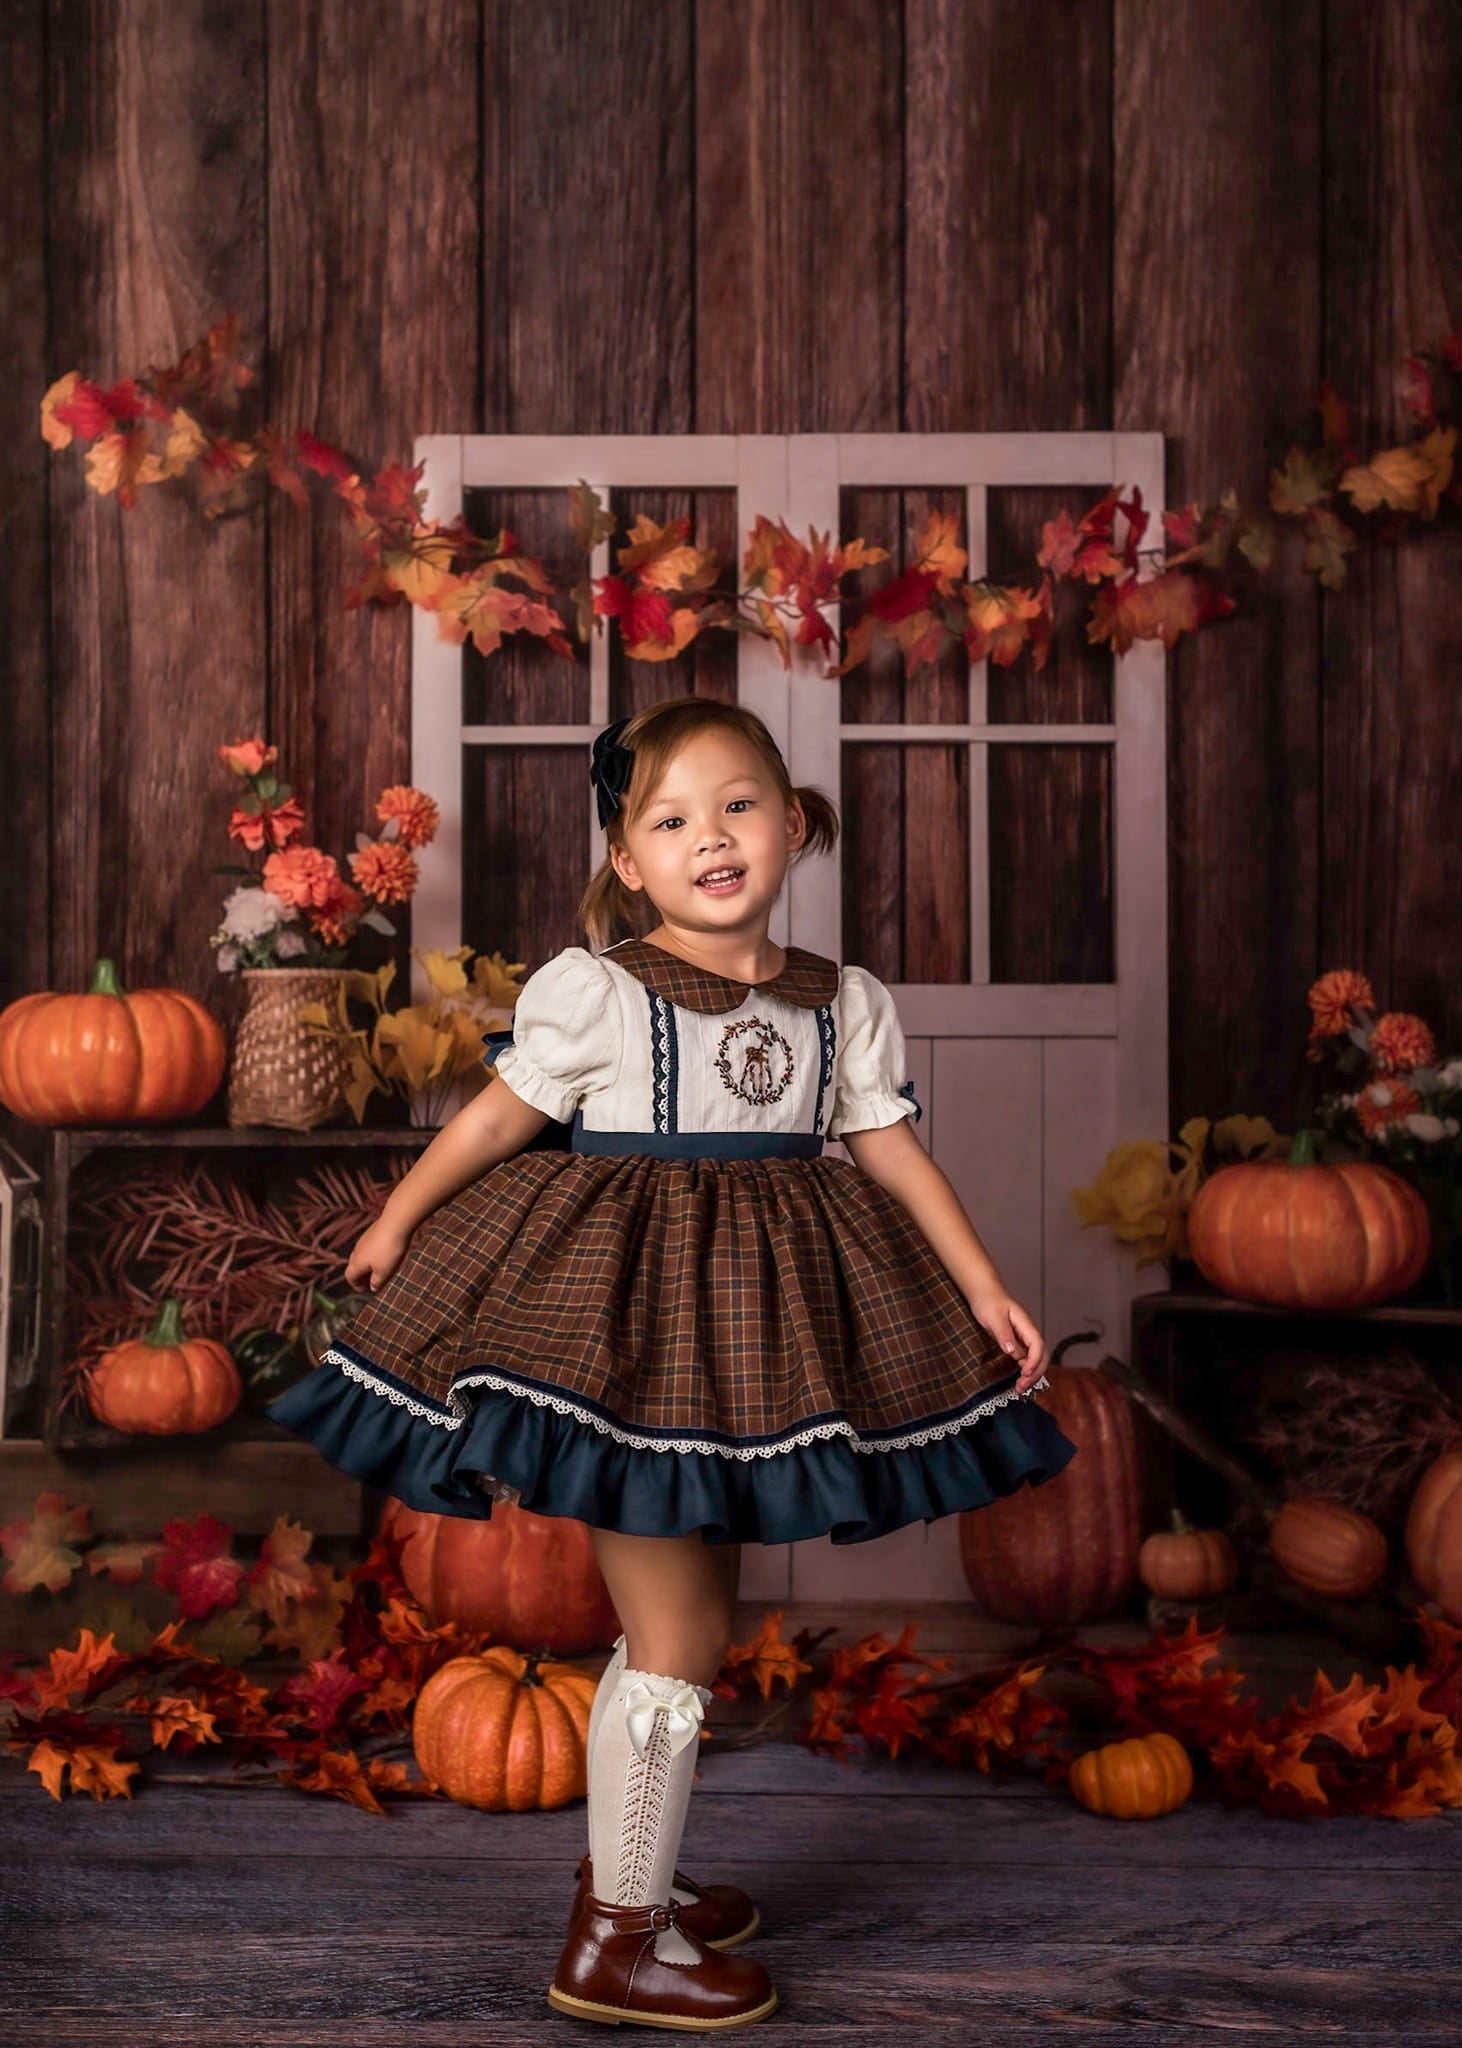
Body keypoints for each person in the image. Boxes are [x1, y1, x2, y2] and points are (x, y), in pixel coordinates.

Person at [266, 693, 1079, 2031]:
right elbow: (496, 1116)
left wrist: (981, 1285)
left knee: (687, 1619)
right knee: (679, 1636)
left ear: (794, 826)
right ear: (628, 864)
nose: (712, 836)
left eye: (739, 805)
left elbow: (885, 1148)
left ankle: (630, 1871)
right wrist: (399, 1218)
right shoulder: (600, 988)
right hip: (627, 1339)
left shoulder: (840, 1000)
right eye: (671, 819)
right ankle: (615, 1944)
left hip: (754, 1347)